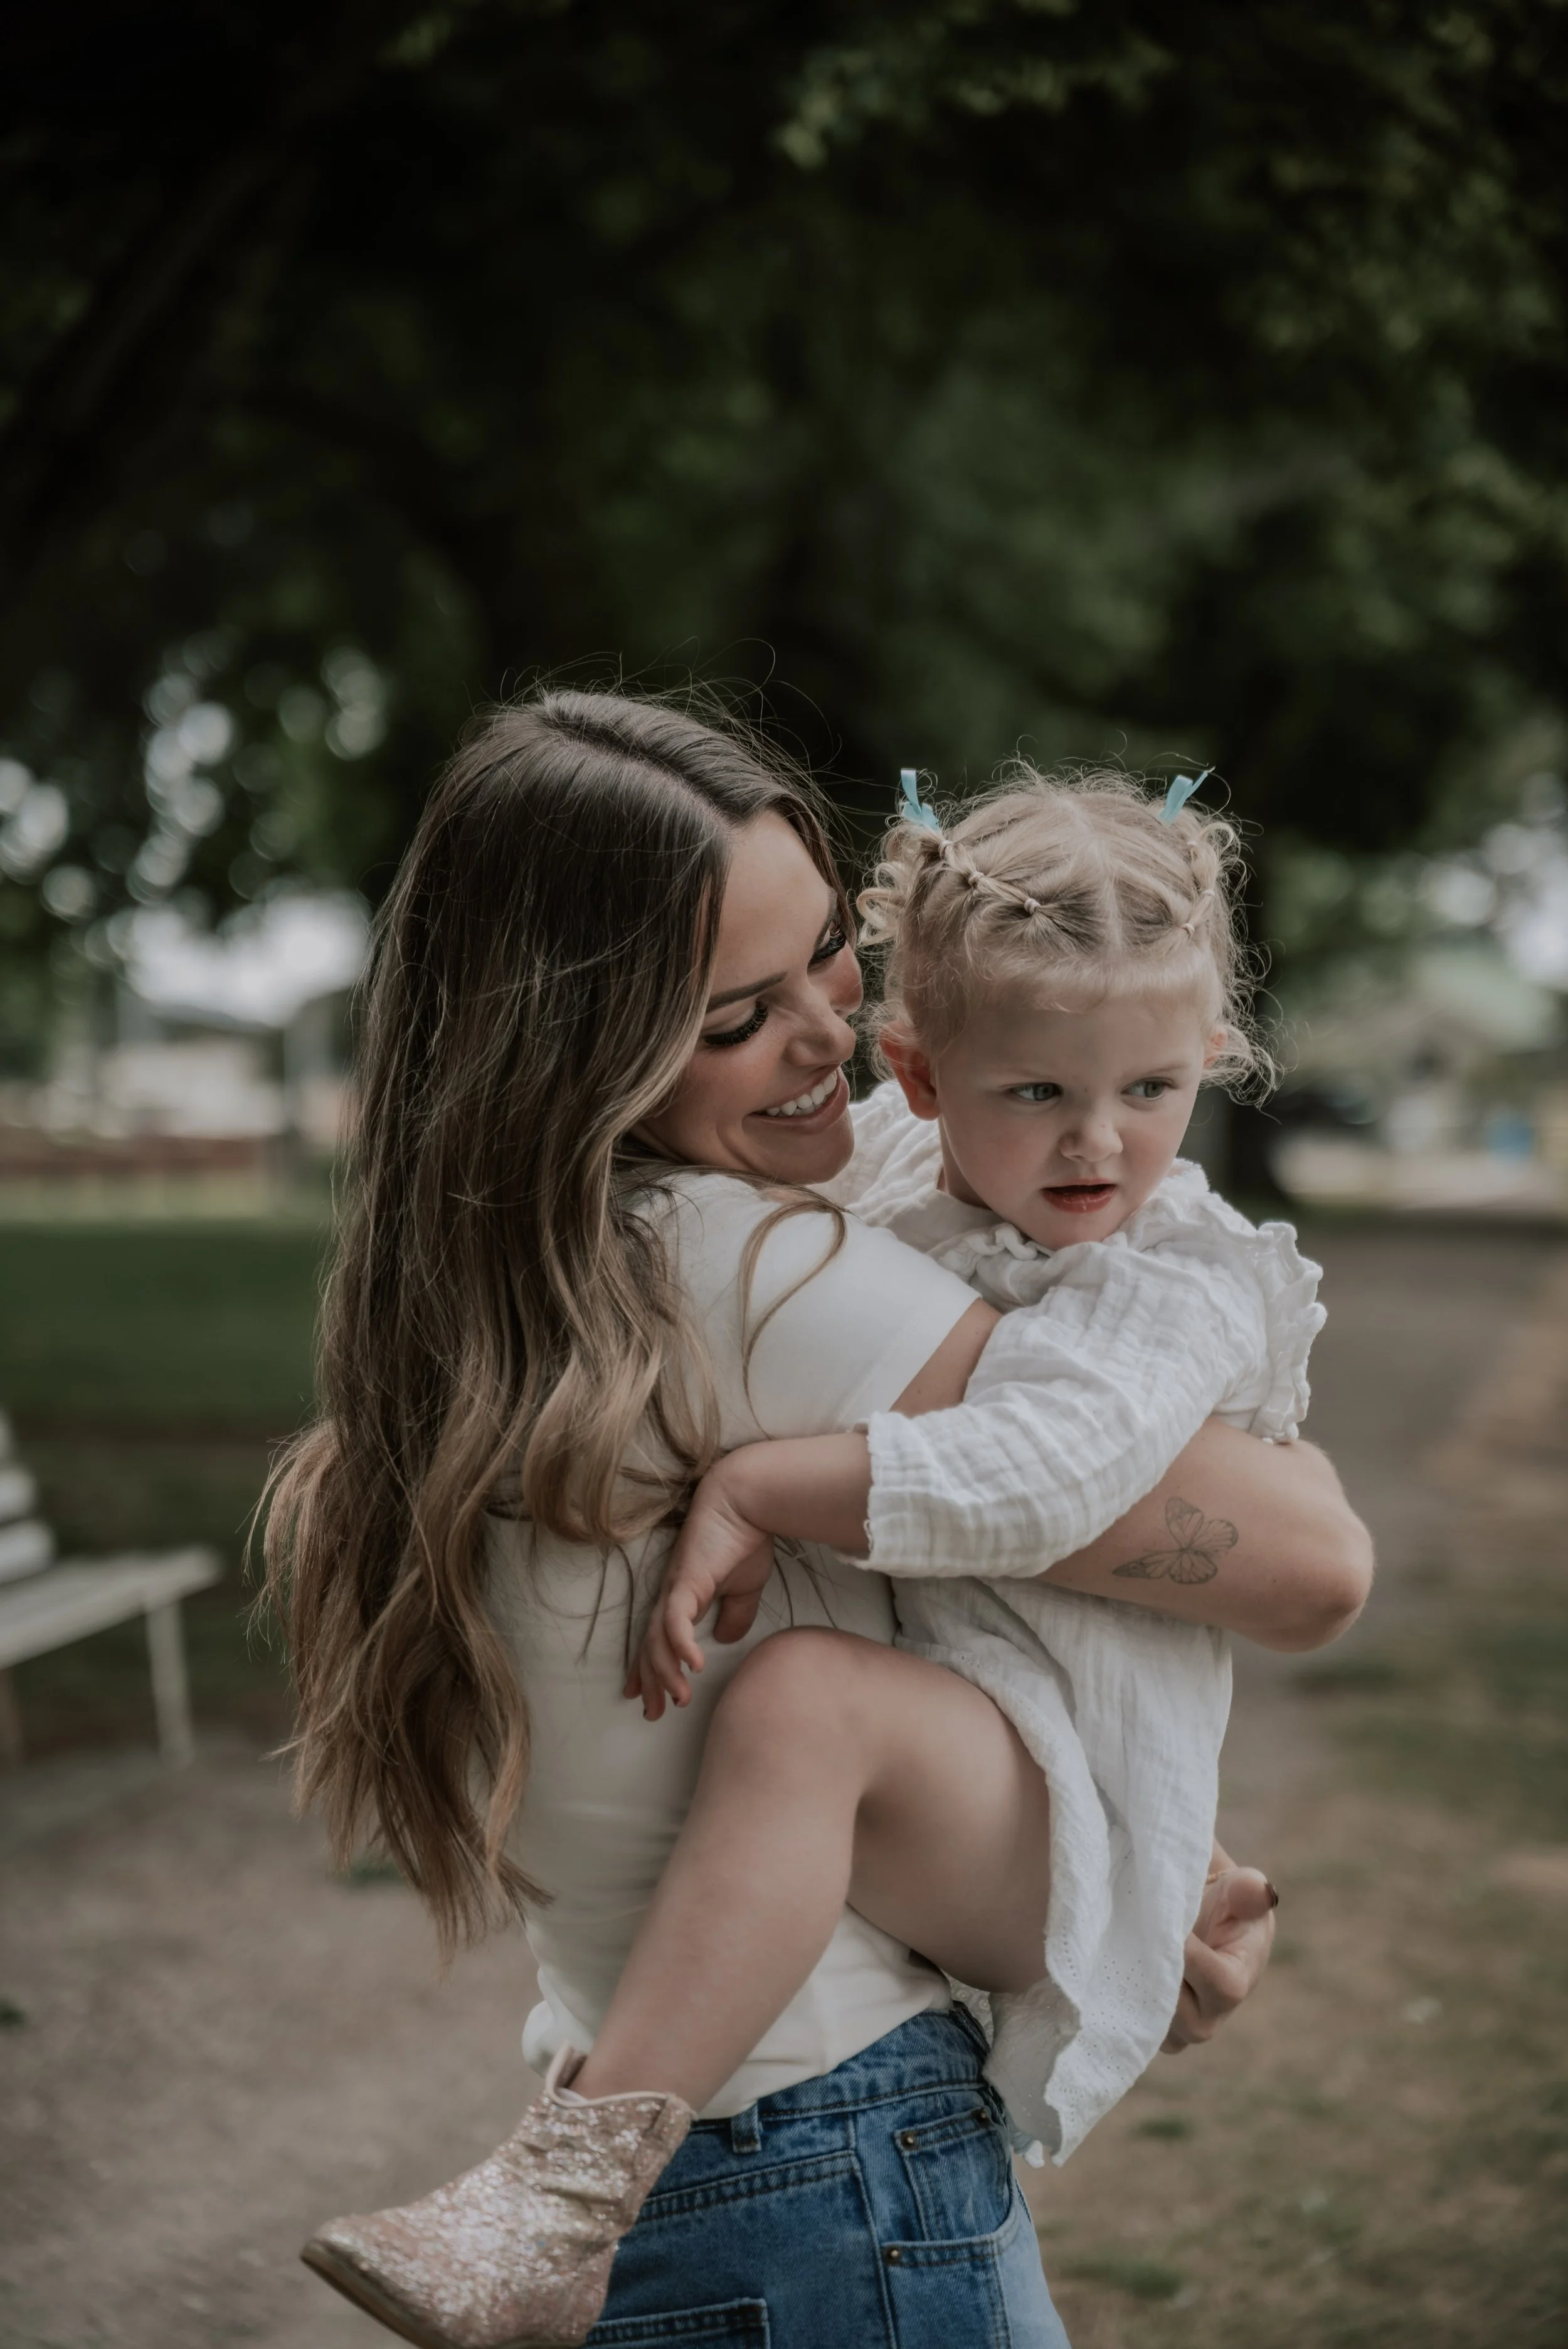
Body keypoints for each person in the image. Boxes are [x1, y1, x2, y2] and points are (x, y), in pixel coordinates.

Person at [272, 691, 1371, 2349]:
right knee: (814, 1713)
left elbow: (1250, 1573)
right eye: (735, 1015)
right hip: (831, 2164)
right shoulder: (749, 1263)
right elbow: (1310, 1565)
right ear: (574, 1039)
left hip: (689, 2134)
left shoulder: (494, 1301)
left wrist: (1109, 1882)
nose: (826, 1044)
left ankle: (558, 2195)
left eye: (827, 979)